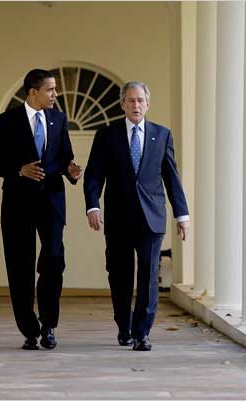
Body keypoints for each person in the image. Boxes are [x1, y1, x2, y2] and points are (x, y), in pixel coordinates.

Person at [83, 81, 189, 351]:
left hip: (151, 218)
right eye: (130, 100)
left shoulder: (162, 134)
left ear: (148, 104)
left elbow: (171, 177)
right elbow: (94, 174)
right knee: (119, 275)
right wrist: (92, 206)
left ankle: (142, 333)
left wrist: (182, 215)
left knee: (148, 276)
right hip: (118, 218)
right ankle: (124, 326)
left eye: (140, 100)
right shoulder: (106, 135)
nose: (136, 105)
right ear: (122, 104)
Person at [0, 69, 82, 350]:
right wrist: (19, 170)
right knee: (20, 267)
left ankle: (49, 325)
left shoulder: (58, 118)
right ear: (32, 92)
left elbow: (65, 157)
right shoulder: (6, 122)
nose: (55, 94)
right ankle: (29, 328)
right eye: (50, 90)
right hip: (17, 203)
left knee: (53, 259)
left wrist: (71, 170)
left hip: (52, 201)